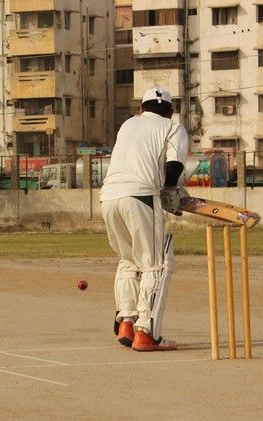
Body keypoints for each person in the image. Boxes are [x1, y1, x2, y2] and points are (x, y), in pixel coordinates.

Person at [99, 86, 189, 351]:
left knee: (128, 261)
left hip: (109, 196)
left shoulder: (128, 125)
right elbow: (174, 166)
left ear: (141, 108)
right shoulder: (173, 127)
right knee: (154, 264)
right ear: (170, 111)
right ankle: (146, 332)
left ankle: (126, 322)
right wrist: (170, 189)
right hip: (141, 196)